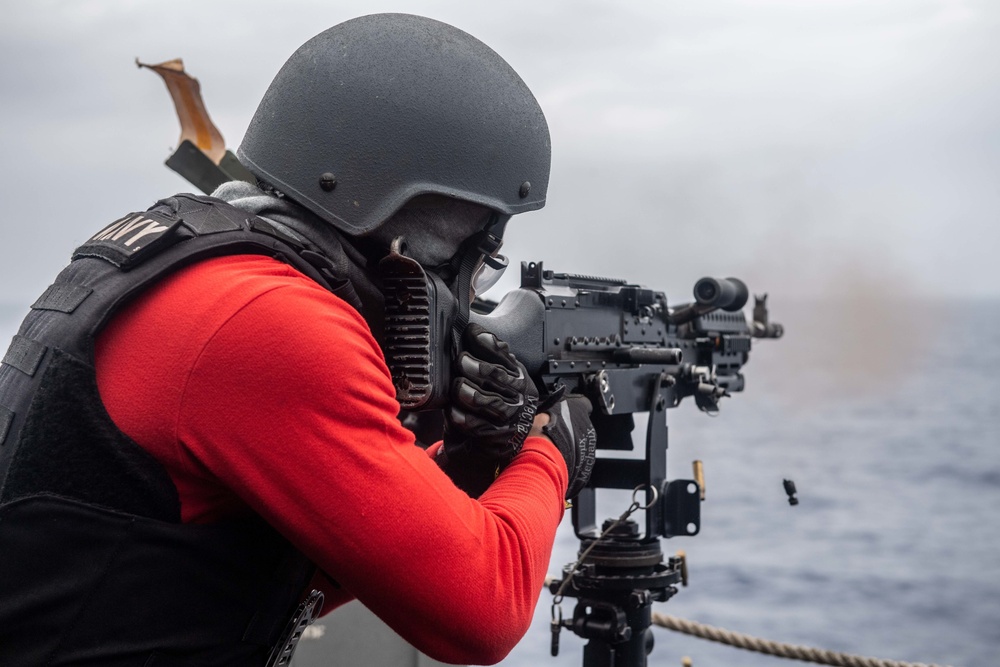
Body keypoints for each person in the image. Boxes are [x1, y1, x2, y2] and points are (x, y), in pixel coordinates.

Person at [0, 12, 596, 667]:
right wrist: (552, 449)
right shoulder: (274, 325)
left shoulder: (198, 271)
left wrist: (462, 467)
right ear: (416, 234)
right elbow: (483, 614)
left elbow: (272, 563)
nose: (471, 294)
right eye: (476, 257)